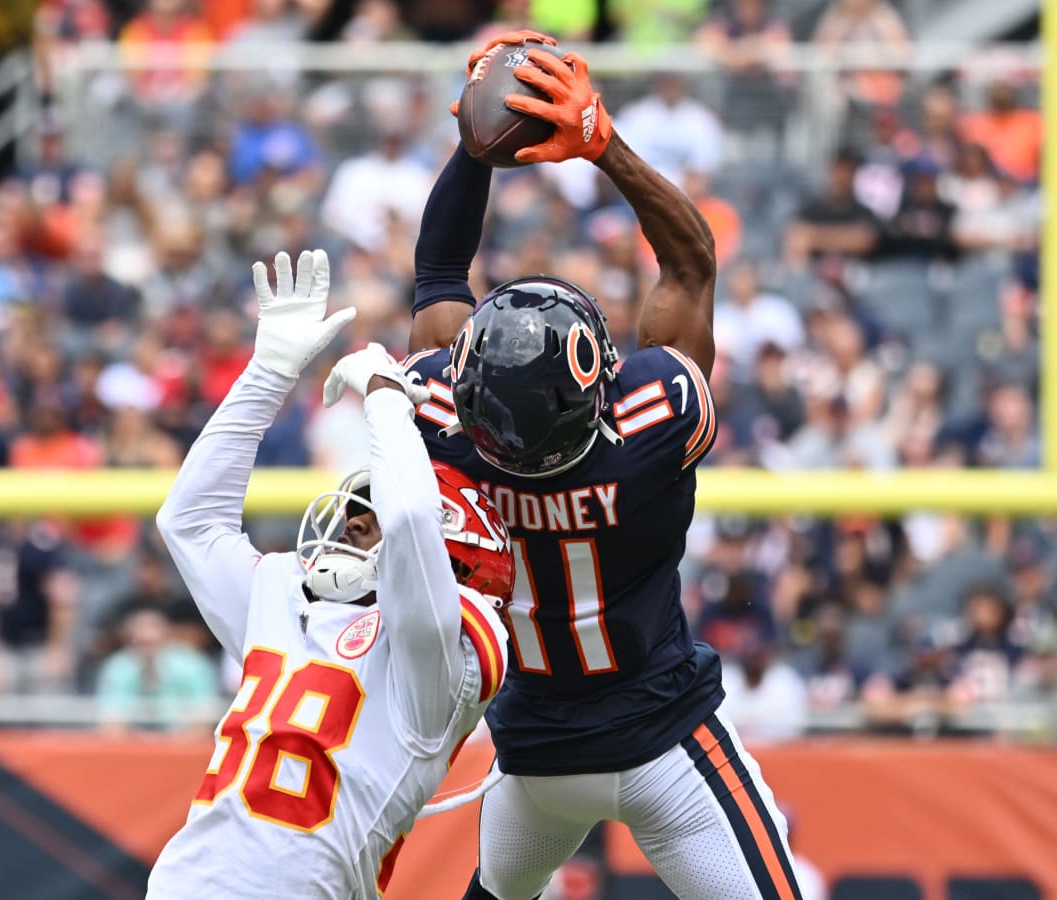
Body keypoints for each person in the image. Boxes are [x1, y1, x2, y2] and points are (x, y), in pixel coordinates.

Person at [404, 31, 802, 900]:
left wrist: (474, 149)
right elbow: (692, 262)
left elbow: (439, 270)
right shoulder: (656, 413)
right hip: (666, 740)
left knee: (500, 891)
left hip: (534, 755)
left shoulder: (435, 414)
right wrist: (601, 143)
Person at [147, 249, 515, 898]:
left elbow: (407, 524)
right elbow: (189, 521)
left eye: (363, 516)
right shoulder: (287, 600)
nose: (351, 523)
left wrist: (386, 401)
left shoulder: (438, 666)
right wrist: (267, 373)